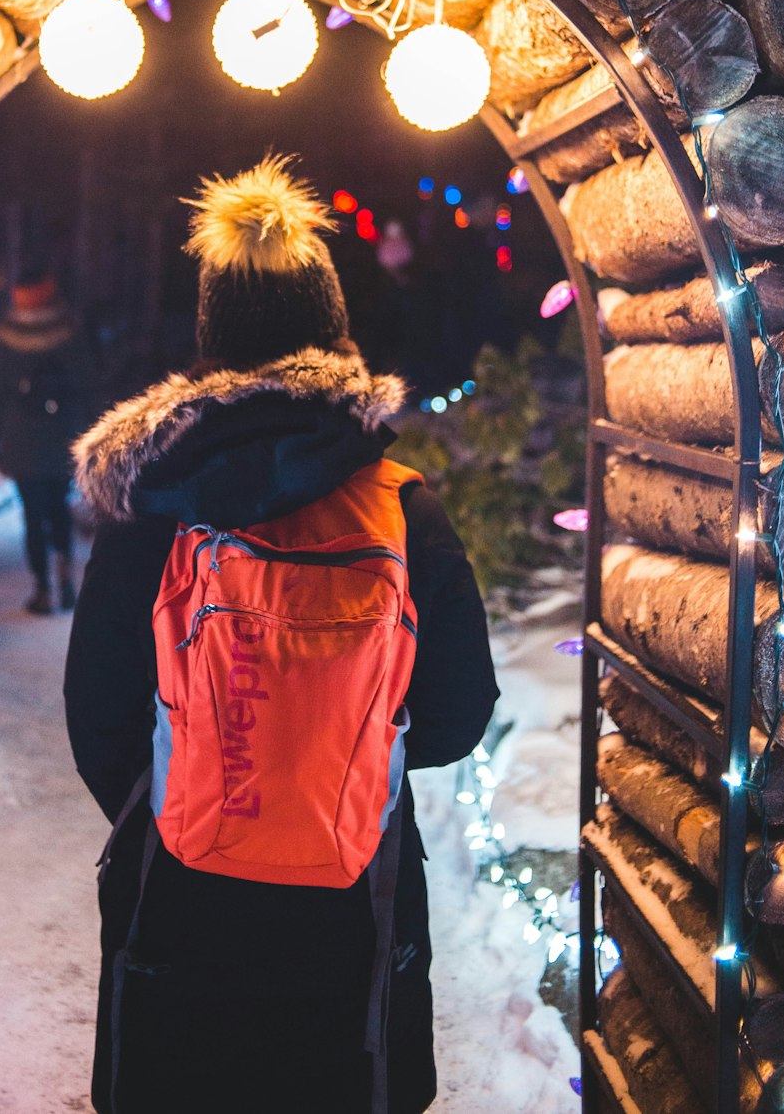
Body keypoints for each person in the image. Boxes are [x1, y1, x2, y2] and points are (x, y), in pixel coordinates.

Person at [64, 156, 499, 1114]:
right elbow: (461, 712)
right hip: (356, 900)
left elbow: (95, 708)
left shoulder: (150, 511)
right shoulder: (401, 509)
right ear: (336, 337)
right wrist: (339, 760)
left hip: (180, 899)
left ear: (210, 344)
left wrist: (198, 788)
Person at [0, 271, 85, 614]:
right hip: (64, 435)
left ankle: (42, 589)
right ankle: (65, 578)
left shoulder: (6, 337)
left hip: (23, 440)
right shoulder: (71, 332)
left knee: (33, 515)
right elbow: (88, 383)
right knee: (60, 508)